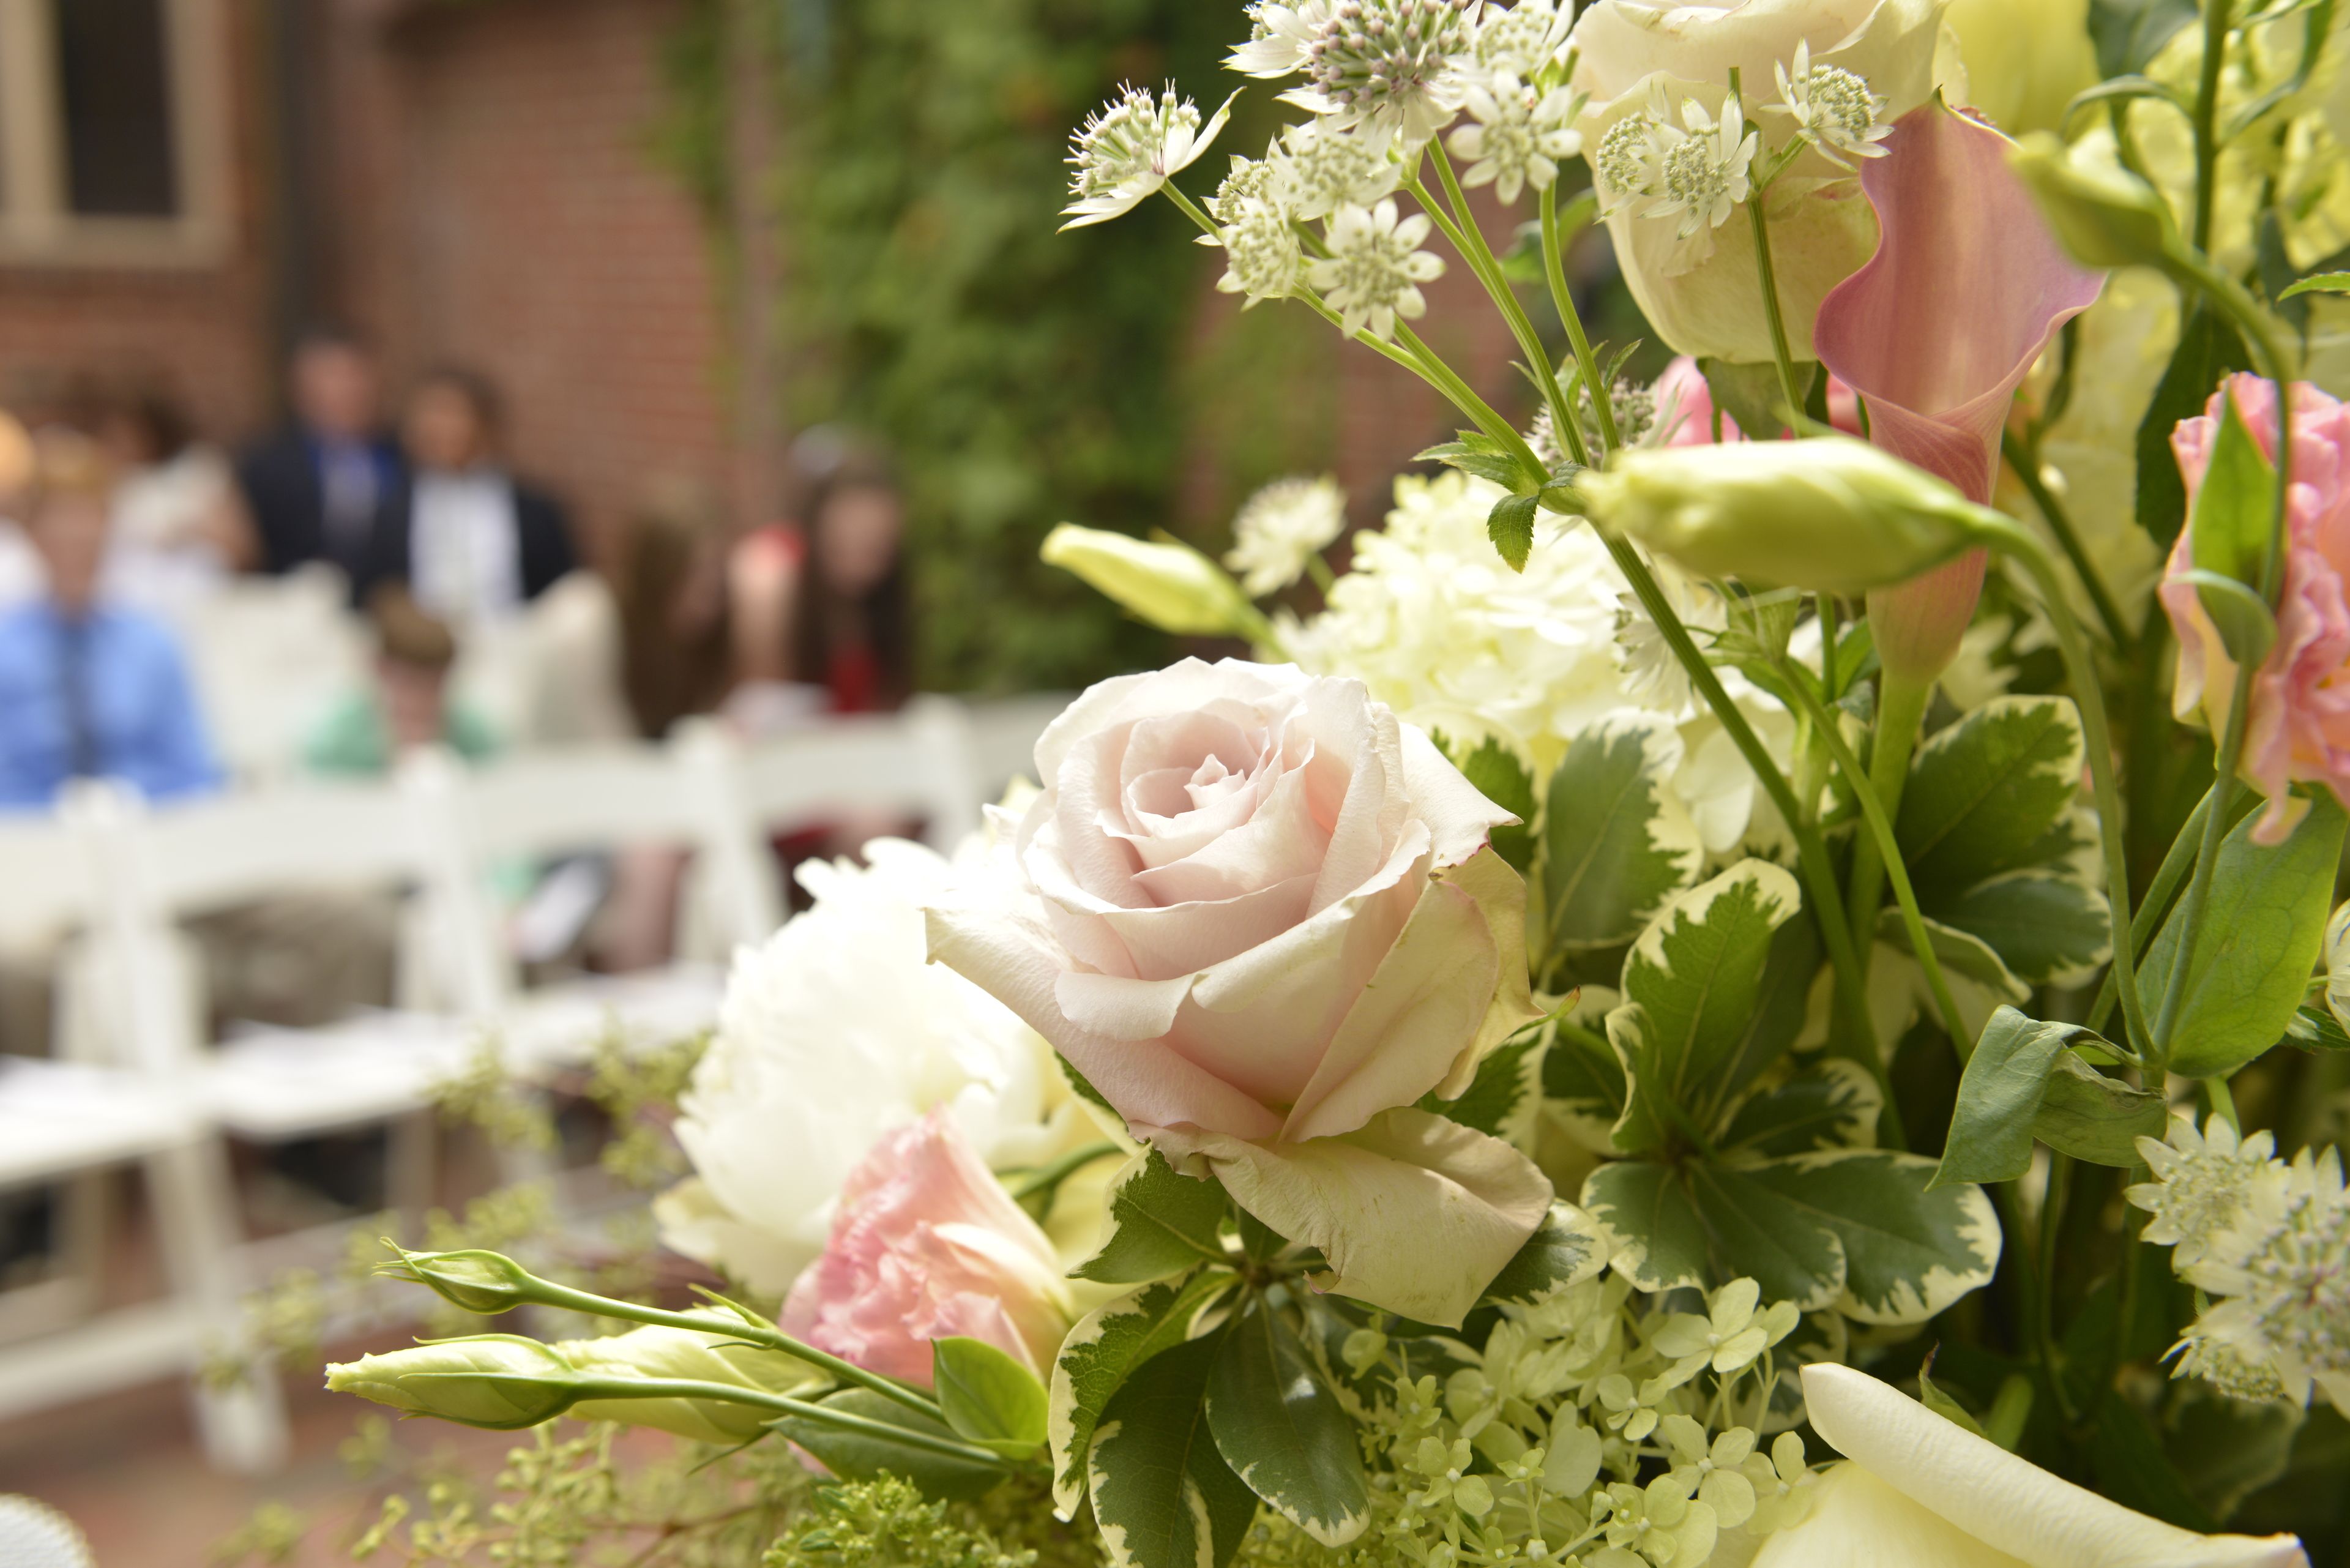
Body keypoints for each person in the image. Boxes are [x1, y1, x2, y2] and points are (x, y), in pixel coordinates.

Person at [0, 429, 222, 810]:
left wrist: (127, 803)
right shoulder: (6, 647)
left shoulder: (153, 643)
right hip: (27, 839)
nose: (75, 539)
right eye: (60, 523)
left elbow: (197, 772)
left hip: (146, 829)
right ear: (33, 535)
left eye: (87, 521)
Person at [356, 367, 576, 624]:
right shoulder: (392, 510)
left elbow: (561, 593)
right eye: (428, 415)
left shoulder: (535, 511)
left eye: (452, 414)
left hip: (514, 642)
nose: (439, 428)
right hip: (425, 649)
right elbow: (368, 594)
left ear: (485, 424)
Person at [726, 444, 911, 719]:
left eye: (877, 551)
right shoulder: (775, 574)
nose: (860, 568)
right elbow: (765, 705)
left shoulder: (880, 603)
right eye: (844, 544)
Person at [237, 328, 403, 580]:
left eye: (355, 376)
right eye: (332, 377)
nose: (347, 391)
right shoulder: (265, 464)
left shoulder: (405, 457)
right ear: (301, 388)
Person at [92, 382, 259, 611]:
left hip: (202, 602)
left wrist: (180, 531)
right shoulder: (100, 485)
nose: (121, 444)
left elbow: (243, 549)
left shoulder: (197, 470)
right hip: (129, 606)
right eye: (112, 435)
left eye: (129, 433)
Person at [305, 585, 499, 775]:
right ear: (380, 670)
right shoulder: (336, 743)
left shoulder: (474, 736)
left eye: (434, 685)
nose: (420, 700)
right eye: (409, 683)